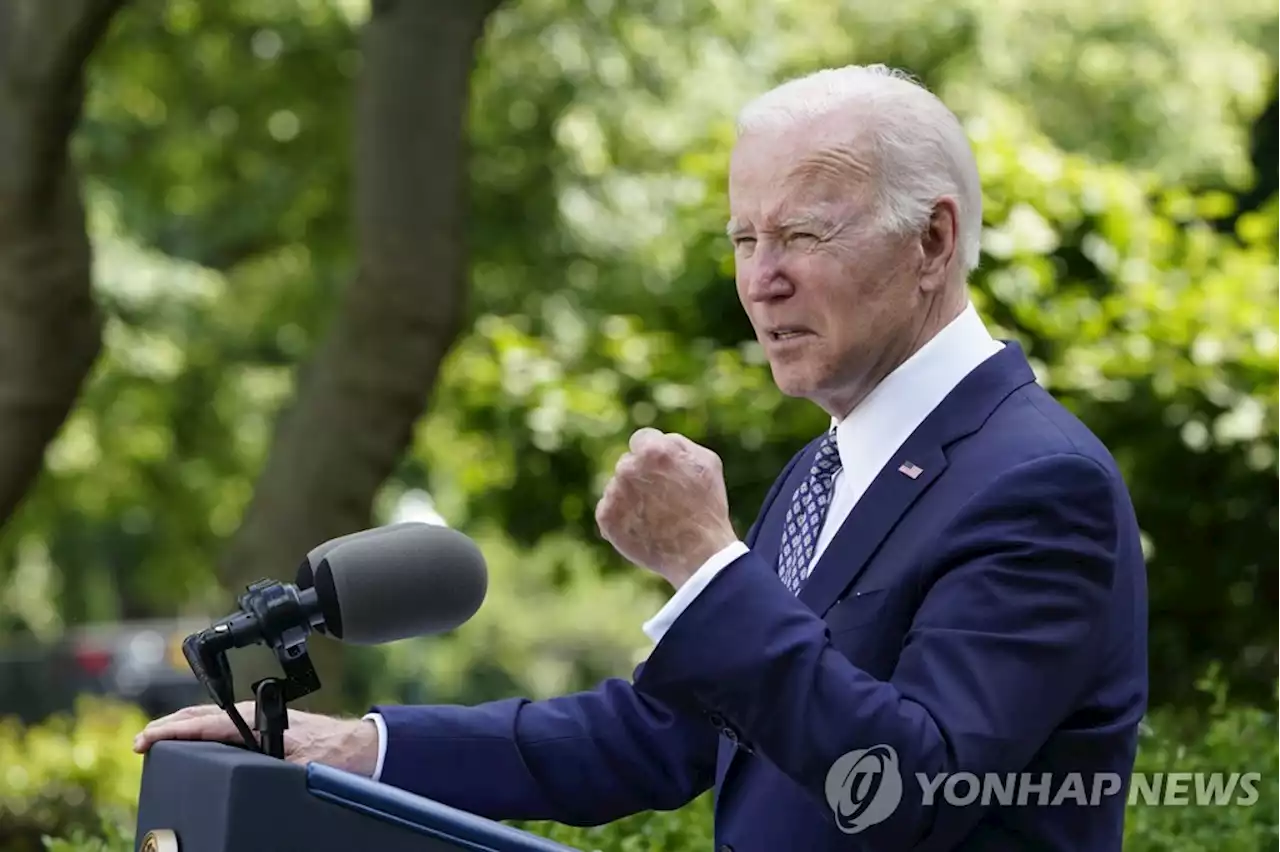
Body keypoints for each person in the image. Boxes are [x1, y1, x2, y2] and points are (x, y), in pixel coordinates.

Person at [134, 64, 1148, 851]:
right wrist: (360, 750)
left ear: (931, 242)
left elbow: (898, 786)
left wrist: (707, 569)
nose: (762, 281)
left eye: (799, 232)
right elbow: (666, 736)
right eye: (742, 239)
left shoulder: (1032, 483)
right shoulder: (828, 471)